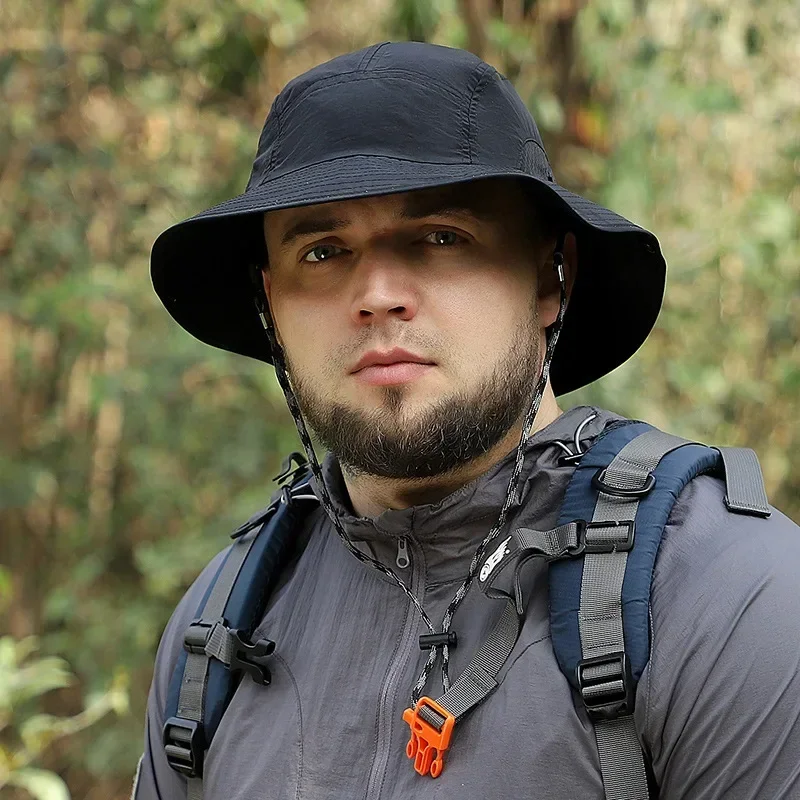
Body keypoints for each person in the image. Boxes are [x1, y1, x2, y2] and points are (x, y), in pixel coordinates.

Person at [133, 42, 800, 799]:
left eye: (442, 237)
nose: (378, 293)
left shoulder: (726, 593)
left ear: (553, 279)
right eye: (322, 251)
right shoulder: (223, 624)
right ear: (271, 308)